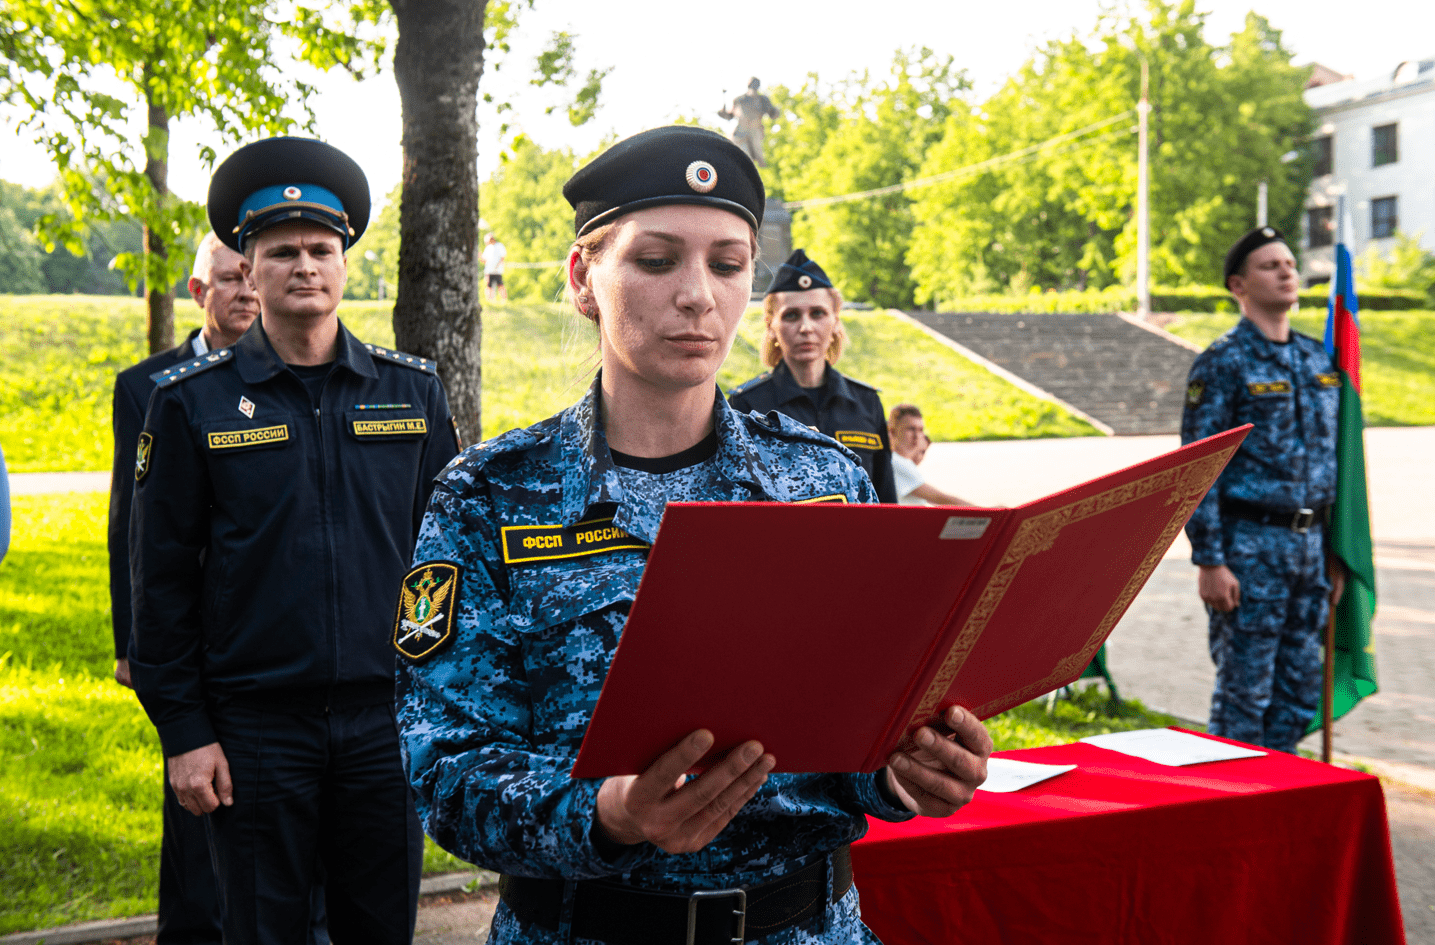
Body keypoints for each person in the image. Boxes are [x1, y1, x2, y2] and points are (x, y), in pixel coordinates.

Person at [393, 125, 992, 945]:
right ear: (583, 277)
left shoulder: (824, 484)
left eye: (726, 263)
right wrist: (608, 814)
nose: (697, 294)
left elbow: (860, 736)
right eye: (655, 259)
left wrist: (907, 772)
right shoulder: (489, 497)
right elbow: (444, 765)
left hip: (807, 924)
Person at [128, 136, 461, 945]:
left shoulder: (410, 392)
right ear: (249, 269)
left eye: (321, 249)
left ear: (344, 263)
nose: (304, 265)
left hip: (384, 724)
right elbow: (160, 580)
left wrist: (437, 697)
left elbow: (446, 557)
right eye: (281, 252)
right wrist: (185, 731)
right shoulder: (189, 404)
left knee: (378, 929)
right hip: (253, 730)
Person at [108, 232, 294, 945]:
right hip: (190, 635)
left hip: (266, 629)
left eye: (253, 277)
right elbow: (134, 526)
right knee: (195, 820)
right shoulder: (147, 384)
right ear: (197, 291)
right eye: (230, 278)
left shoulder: (296, 372)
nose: (247, 290)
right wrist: (134, 643)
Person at [1180, 225, 1344, 753]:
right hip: (1249, 553)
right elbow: (1196, 469)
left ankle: (1280, 807)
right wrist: (1209, 560)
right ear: (1239, 285)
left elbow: (1335, 462)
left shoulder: (1318, 360)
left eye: (1290, 263)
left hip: (1311, 551)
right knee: (1243, 700)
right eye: (1270, 265)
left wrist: (1336, 553)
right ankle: (1232, 813)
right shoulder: (1223, 362)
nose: (1287, 271)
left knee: (1297, 697)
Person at [728, 250, 899, 503]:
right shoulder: (746, 406)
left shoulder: (867, 403)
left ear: (835, 321)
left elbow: (886, 503)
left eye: (817, 313)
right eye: (791, 315)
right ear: (771, 326)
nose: (806, 328)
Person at [887, 403, 967, 506]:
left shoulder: (902, 462)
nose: (917, 436)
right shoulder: (895, 462)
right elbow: (941, 499)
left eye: (920, 430)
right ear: (893, 431)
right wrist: (984, 512)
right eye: (910, 429)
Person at [718, 77, 780, 167]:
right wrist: (722, 111)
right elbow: (729, 116)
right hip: (740, 135)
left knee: (758, 162)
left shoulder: (763, 100)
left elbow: (773, 114)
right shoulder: (739, 100)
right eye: (752, 85)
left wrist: (775, 110)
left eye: (755, 86)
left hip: (754, 134)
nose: (753, 88)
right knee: (743, 159)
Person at [483, 233, 508, 301]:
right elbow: (484, 259)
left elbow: (502, 257)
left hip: (497, 270)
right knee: (489, 286)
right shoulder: (488, 248)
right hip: (489, 270)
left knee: (500, 285)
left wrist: (498, 265)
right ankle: (490, 300)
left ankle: (504, 300)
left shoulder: (499, 246)